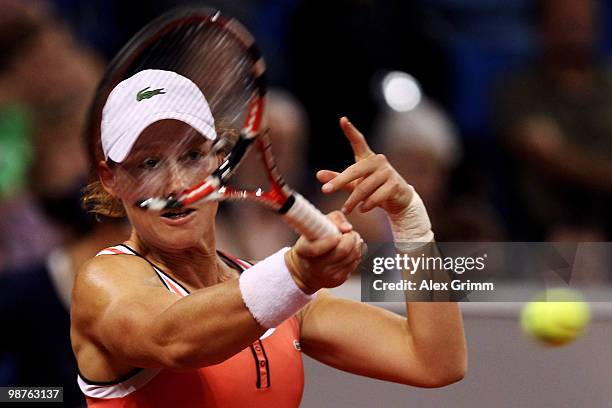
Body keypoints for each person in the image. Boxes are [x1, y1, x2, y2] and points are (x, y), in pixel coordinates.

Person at [70, 69, 466, 407]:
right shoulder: (103, 282)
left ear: (218, 161)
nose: (176, 186)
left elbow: (435, 360)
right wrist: (296, 271)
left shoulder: (277, 293)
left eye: (192, 156)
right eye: (148, 163)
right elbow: (173, 340)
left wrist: (411, 223)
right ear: (111, 178)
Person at [495, 0, 612, 240]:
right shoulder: (519, 90)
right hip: (547, 222)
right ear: (541, 25)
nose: (577, 23)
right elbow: (548, 157)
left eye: (584, 16)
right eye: (566, 15)